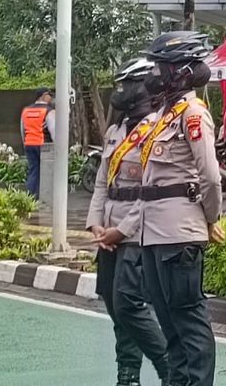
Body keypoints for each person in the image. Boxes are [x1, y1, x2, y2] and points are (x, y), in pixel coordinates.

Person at [99, 31, 223, 386]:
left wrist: (210, 218)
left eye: (162, 66)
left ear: (181, 71)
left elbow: (210, 178)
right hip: (151, 232)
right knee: (168, 321)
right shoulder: (163, 117)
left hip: (180, 231)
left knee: (188, 319)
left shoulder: (194, 114)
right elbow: (147, 186)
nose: (155, 73)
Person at [86, 58, 170, 386]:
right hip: (108, 231)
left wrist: (120, 232)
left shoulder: (157, 131)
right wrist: (96, 224)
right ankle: (128, 373)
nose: (121, 92)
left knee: (129, 304)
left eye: (128, 85)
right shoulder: (115, 131)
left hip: (135, 234)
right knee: (112, 300)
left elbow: (152, 191)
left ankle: (169, 369)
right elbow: (101, 184)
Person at [20, 87, 55, 198]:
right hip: (44, 145)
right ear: (43, 96)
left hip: (29, 144)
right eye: (50, 95)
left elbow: (22, 129)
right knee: (46, 172)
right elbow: (54, 130)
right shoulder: (49, 111)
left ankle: (30, 197)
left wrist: (25, 142)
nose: (51, 97)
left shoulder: (26, 110)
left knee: (33, 170)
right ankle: (45, 197)